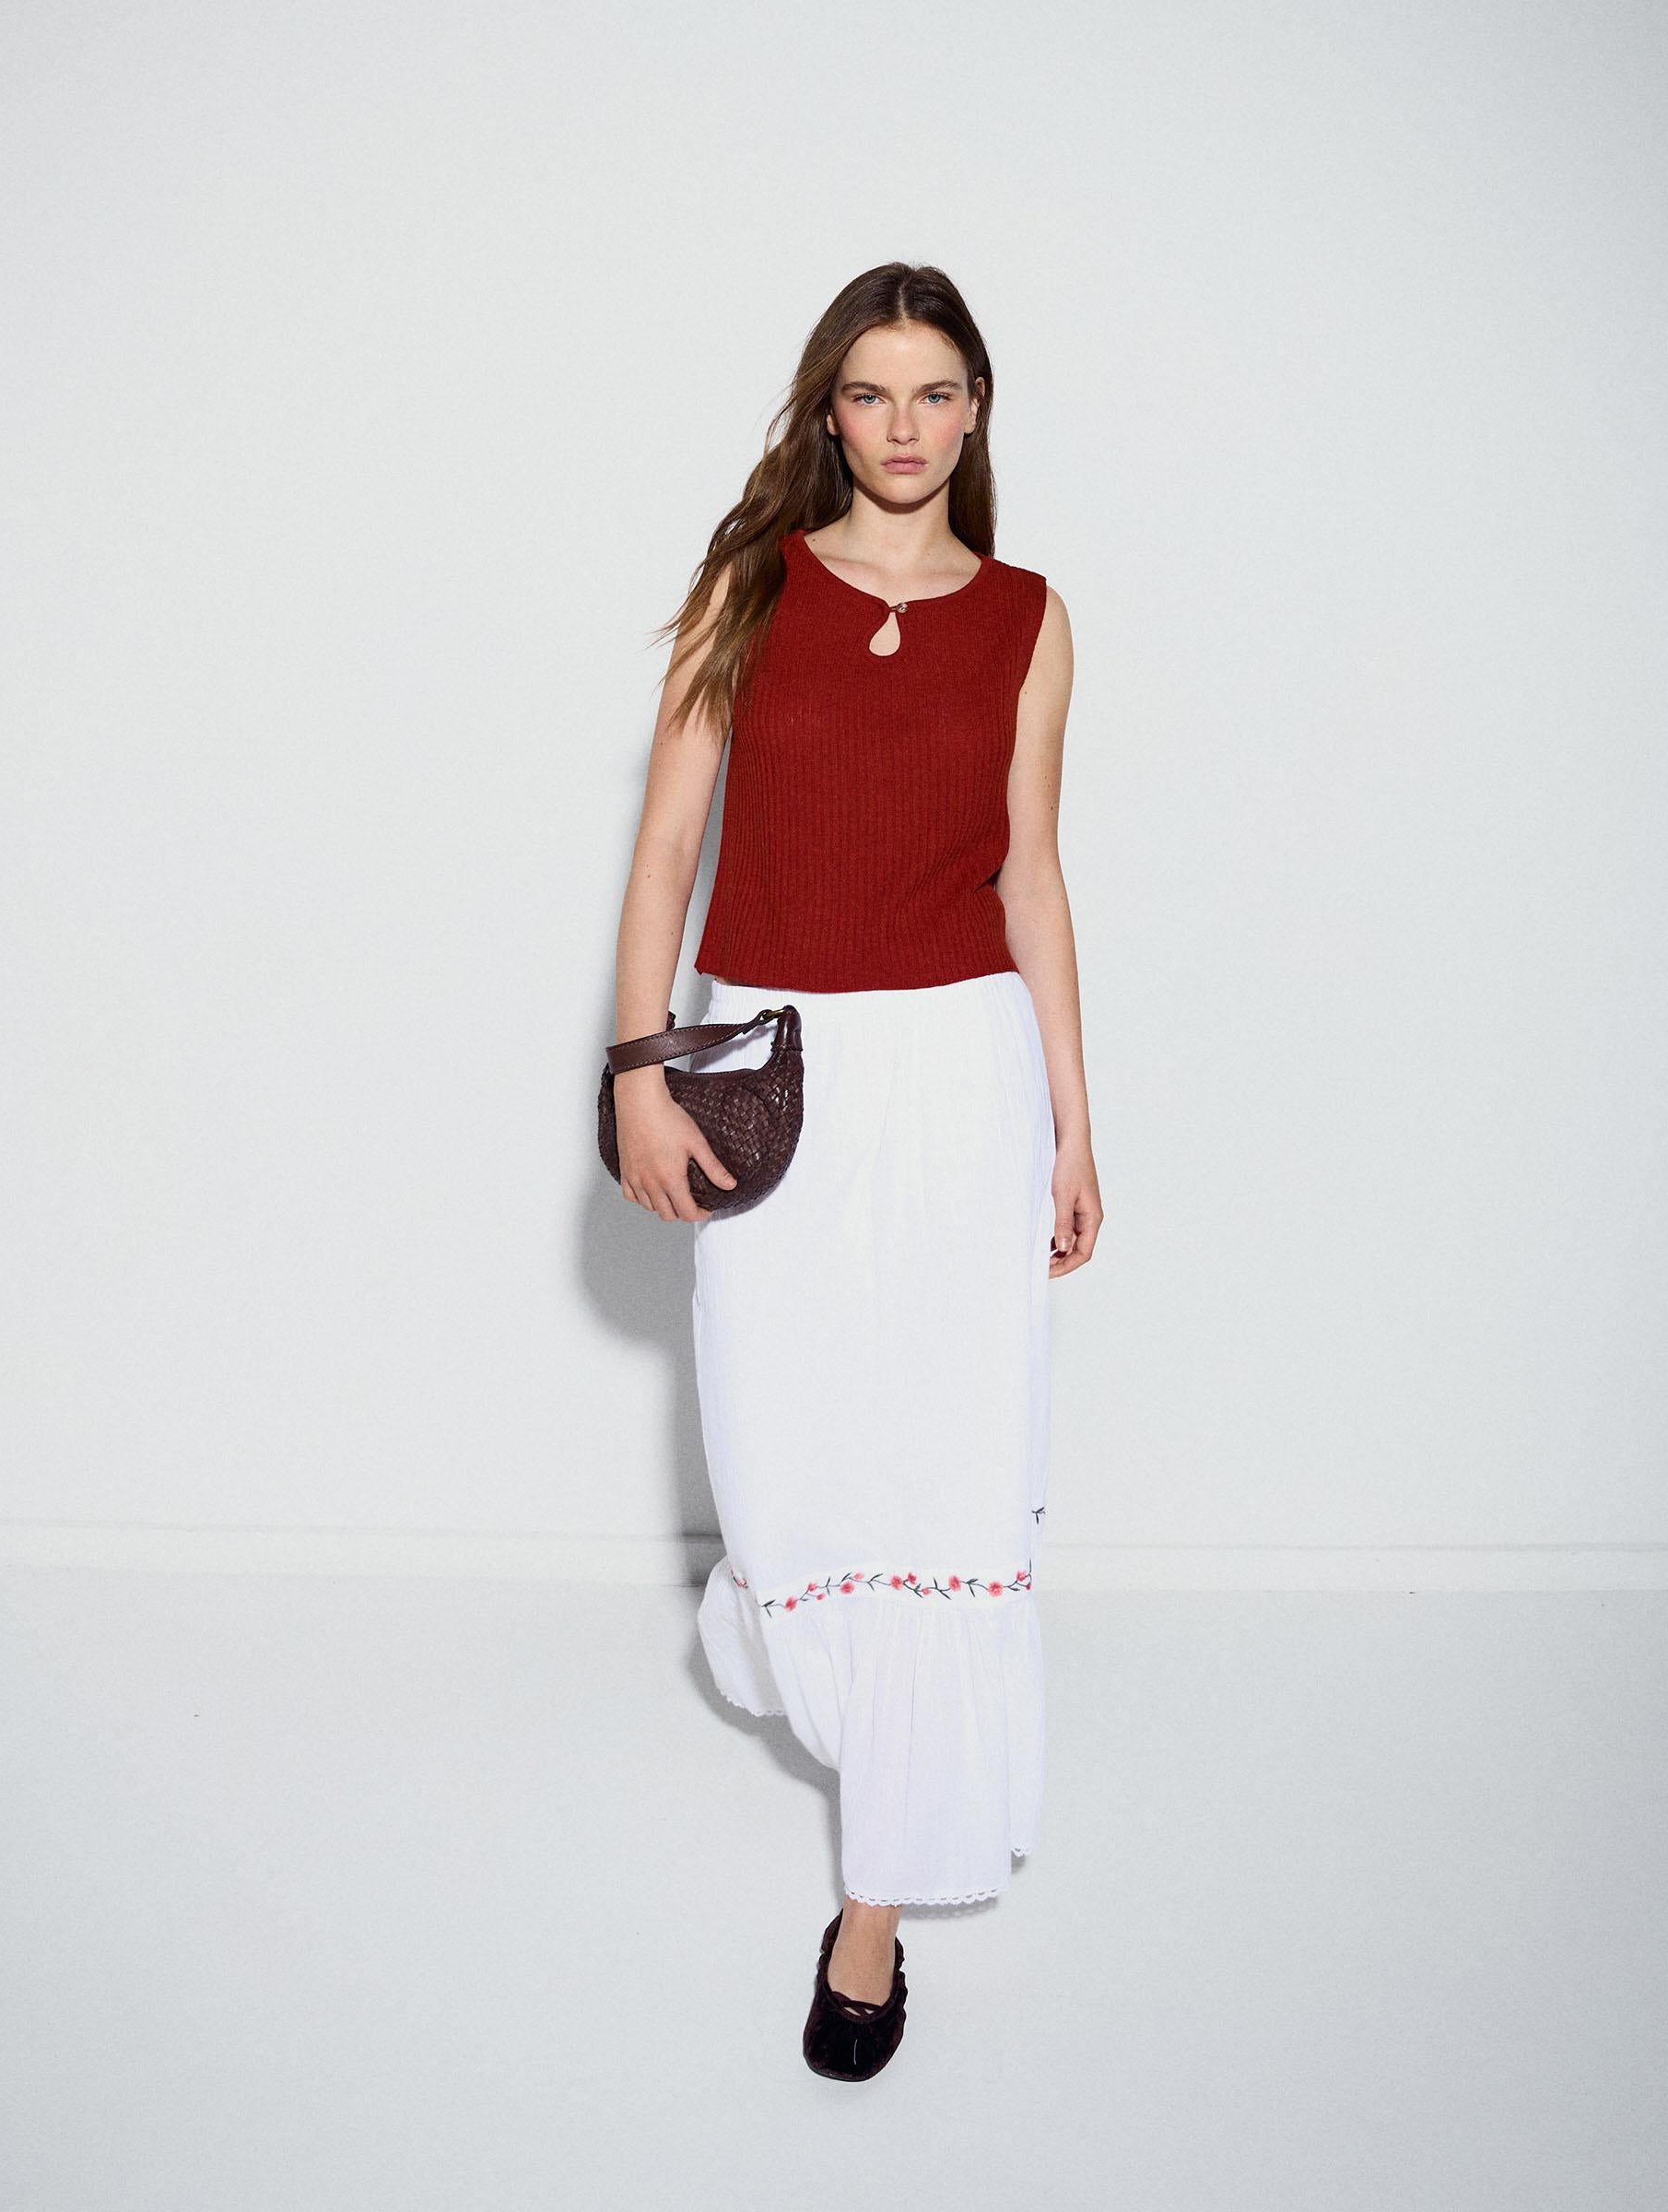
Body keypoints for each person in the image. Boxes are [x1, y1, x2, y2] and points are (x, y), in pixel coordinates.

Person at [607, 262, 1100, 2080]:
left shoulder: (1031, 618)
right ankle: (827, 1682)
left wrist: (1075, 1118)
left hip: (964, 1076)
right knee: (790, 1461)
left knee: (948, 1473)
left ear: (977, 412)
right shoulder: (750, 586)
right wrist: (638, 1068)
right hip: (777, 1067)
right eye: (874, 393)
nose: (907, 426)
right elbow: (669, 847)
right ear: (830, 411)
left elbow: (1031, 877)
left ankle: (876, 1904)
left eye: (938, 392)